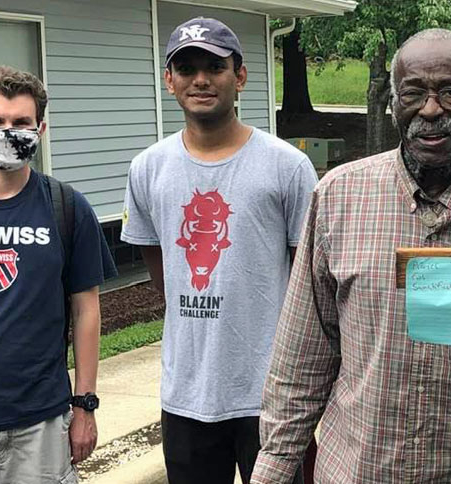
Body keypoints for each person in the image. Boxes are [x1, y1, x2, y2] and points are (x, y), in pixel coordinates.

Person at [252, 29, 451, 484]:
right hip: (361, 469)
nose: (431, 110)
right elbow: (302, 357)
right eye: (414, 92)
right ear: (393, 103)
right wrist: (273, 470)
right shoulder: (338, 198)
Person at [120, 17, 317, 484]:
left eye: (215, 66)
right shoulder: (148, 169)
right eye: (186, 68)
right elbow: (162, 272)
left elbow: (309, 283)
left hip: (274, 397)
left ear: (240, 76)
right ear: (169, 81)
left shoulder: (287, 167)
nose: (201, 79)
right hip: (185, 394)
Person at [0, 66, 116, 483]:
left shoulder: (67, 207)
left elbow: (86, 310)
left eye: (21, 122)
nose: (8, 132)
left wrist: (85, 406)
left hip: (40, 420)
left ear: (40, 127)